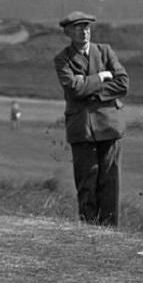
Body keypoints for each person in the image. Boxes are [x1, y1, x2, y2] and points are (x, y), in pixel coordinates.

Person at [53, 11, 129, 226]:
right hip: (82, 129)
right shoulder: (62, 59)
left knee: (110, 180)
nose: (83, 32)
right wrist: (102, 77)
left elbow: (123, 83)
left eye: (86, 27)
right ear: (68, 32)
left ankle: (110, 231)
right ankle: (88, 231)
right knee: (87, 181)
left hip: (110, 126)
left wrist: (89, 86)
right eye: (77, 28)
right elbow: (73, 89)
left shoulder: (105, 51)